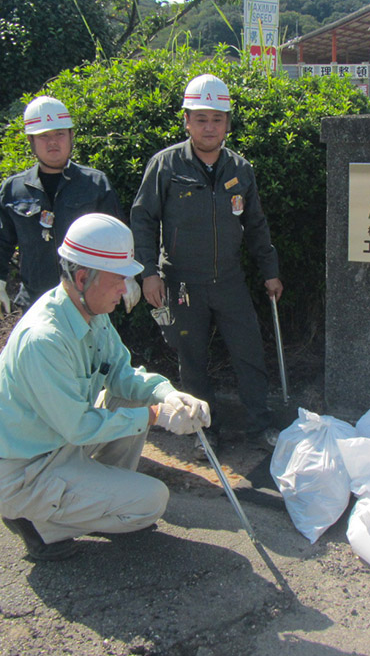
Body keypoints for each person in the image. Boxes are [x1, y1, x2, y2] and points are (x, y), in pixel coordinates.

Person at [0, 214, 211, 561]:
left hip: (56, 445)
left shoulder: (91, 312)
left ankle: (94, 497)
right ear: (83, 277)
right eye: (119, 279)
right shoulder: (45, 339)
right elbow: (79, 426)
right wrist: (157, 416)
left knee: (128, 402)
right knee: (150, 502)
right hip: (25, 471)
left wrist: (168, 394)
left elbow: (121, 376)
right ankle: (38, 522)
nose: (125, 290)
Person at [130, 74, 283, 456]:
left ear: (227, 123)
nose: (209, 126)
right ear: (187, 122)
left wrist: (270, 271)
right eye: (201, 119)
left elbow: (256, 224)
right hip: (182, 283)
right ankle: (204, 433)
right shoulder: (165, 165)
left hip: (229, 280)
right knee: (192, 359)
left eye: (217, 119)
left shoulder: (240, 169)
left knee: (249, 352)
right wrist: (148, 272)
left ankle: (259, 426)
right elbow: (143, 219)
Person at [0, 95, 133, 317]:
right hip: (35, 301)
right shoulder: (13, 190)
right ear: (31, 141)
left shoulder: (95, 184)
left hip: (88, 302)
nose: (53, 142)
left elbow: (117, 237)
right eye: (43, 136)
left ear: (71, 136)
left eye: (60, 134)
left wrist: (126, 277)